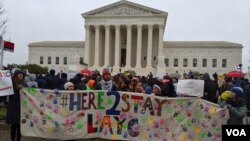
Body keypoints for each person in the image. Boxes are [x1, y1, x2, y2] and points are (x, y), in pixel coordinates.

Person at [6, 70, 25, 141]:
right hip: (13, 107)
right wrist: (16, 88)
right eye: (19, 74)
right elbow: (8, 92)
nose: (21, 75)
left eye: (22, 74)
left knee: (20, 126)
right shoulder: (12, 83)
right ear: (16, 75)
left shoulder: (24, 84)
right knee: (13, 125)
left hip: (21, 107)